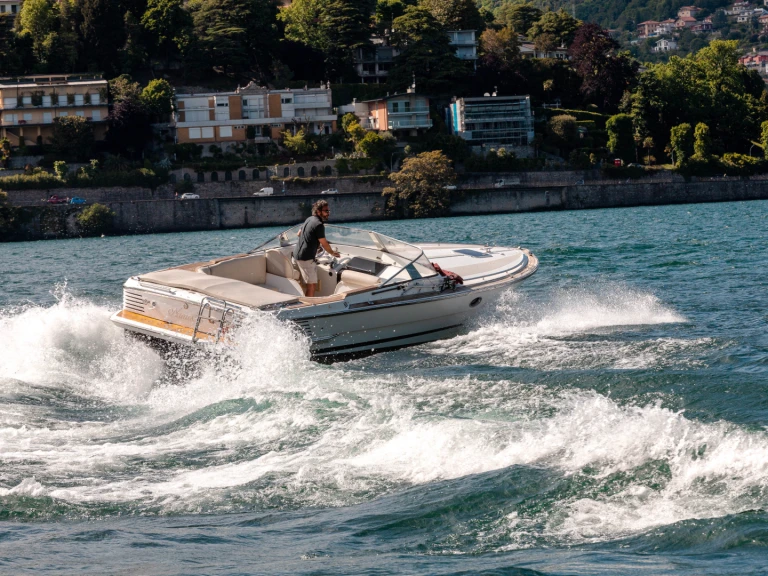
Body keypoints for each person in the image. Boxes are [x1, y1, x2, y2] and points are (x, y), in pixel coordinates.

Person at [293, 200, 340, 297]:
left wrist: (313, 243)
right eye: (326, 211)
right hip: (306, 258)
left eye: (328, 211)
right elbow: (324, 244)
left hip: (297, 254)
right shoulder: (319, 225)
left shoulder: (309, 219)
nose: (328, 213)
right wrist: (333, 253)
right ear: (318, 211)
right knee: (312, 285)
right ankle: (307, 307)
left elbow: (299, 234)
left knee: (306, 284)